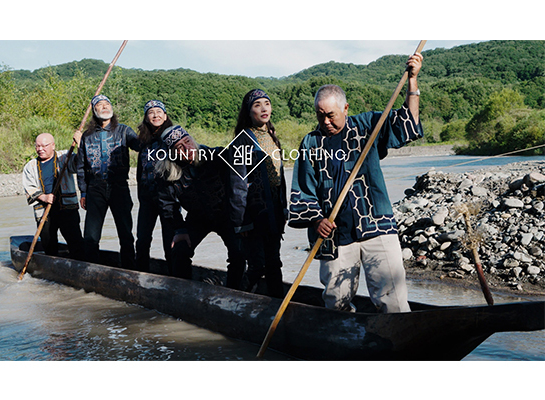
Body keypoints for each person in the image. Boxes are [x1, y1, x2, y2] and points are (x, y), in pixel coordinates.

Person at [288, 53, 424, 313]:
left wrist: (413, 81)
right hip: (335, 235)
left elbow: (407, 123)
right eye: (320, 116)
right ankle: (343, 337)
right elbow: (303, 190)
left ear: (345, 109)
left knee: (393, 300)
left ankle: (395, 337)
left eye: (331, 115)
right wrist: (317, 220)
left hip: (377, 226)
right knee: (336, 303)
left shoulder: (368, 125)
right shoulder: (311, 143)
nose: (326, 122)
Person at [155, 125, 246, 289]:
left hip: (225, 214)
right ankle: (184, 290)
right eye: (179, 147)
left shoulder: (213, 156)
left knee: (239, 253)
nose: (187, 149)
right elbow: (167, 204)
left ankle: (234, 290)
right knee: (180, 251)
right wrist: (180, 229)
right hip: (197, 218)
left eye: (187, 141)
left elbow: (238, 160)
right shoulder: (167, 172)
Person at [230, 89, 287, 298]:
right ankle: (235, 300)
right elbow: (237, 184)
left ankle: (277, 304)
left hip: (274, 210)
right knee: (257, 265)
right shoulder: (242, 141)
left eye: (267, 103)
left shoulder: (272, 136)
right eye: (257, 105)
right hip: (253, 213)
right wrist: (242, 221)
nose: (263, 108)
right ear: (249, 111)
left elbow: (280, 177)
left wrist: (284, 208)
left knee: (274, 262)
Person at [76, 94, 140, 269]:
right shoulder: (86, 136)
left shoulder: (124, 131)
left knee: (125, 233)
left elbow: (140, 145)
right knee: (90, 236)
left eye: (107, 104)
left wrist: (149, 132)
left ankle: (129, 270)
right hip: (95, 188)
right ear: (94, 111)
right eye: (100, 105)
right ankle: (91, 270)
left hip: (119, 186)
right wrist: (83, 192)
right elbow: (81, 167)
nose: (104, 107)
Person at [22, 132, 85, 260]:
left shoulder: (64, 157)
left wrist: (80, 143)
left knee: (76, 242)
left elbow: (80, 163)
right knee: (48, 244)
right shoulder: (30, 166)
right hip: (45, 211)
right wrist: (43, 197)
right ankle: (52, 265)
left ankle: (80, 263)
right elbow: (29, 187)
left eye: (44, 146)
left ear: (53, 145)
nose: (40, 149)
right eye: (37, 146)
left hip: (67, 208)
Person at [135, 100, 175, 272]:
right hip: (147, 198)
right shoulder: (144, 140)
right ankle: (140, 274)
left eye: (159, 112)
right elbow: (140, 170)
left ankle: (175, 276)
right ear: (146, 118)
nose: (155, 115)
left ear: (165, 116)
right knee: (142, 240)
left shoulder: (173, 136)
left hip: (169, 198)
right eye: (151, 112)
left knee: (170, 241)